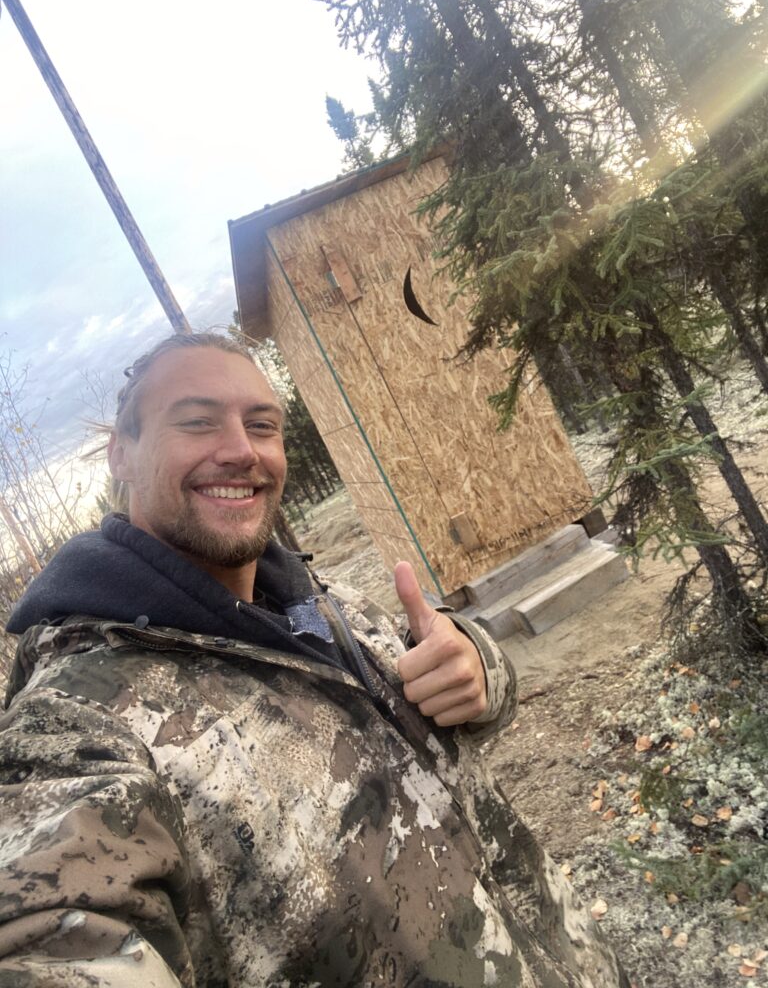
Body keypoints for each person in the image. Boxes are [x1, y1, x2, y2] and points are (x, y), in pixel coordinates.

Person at [0, 332, 629, 987]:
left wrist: (478, 666)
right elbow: (53, 929)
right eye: (197, 421)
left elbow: (460, 697)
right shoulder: (82, 720)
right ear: (121, 454)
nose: (242, 450)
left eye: (261, 425)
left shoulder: (323, 606)